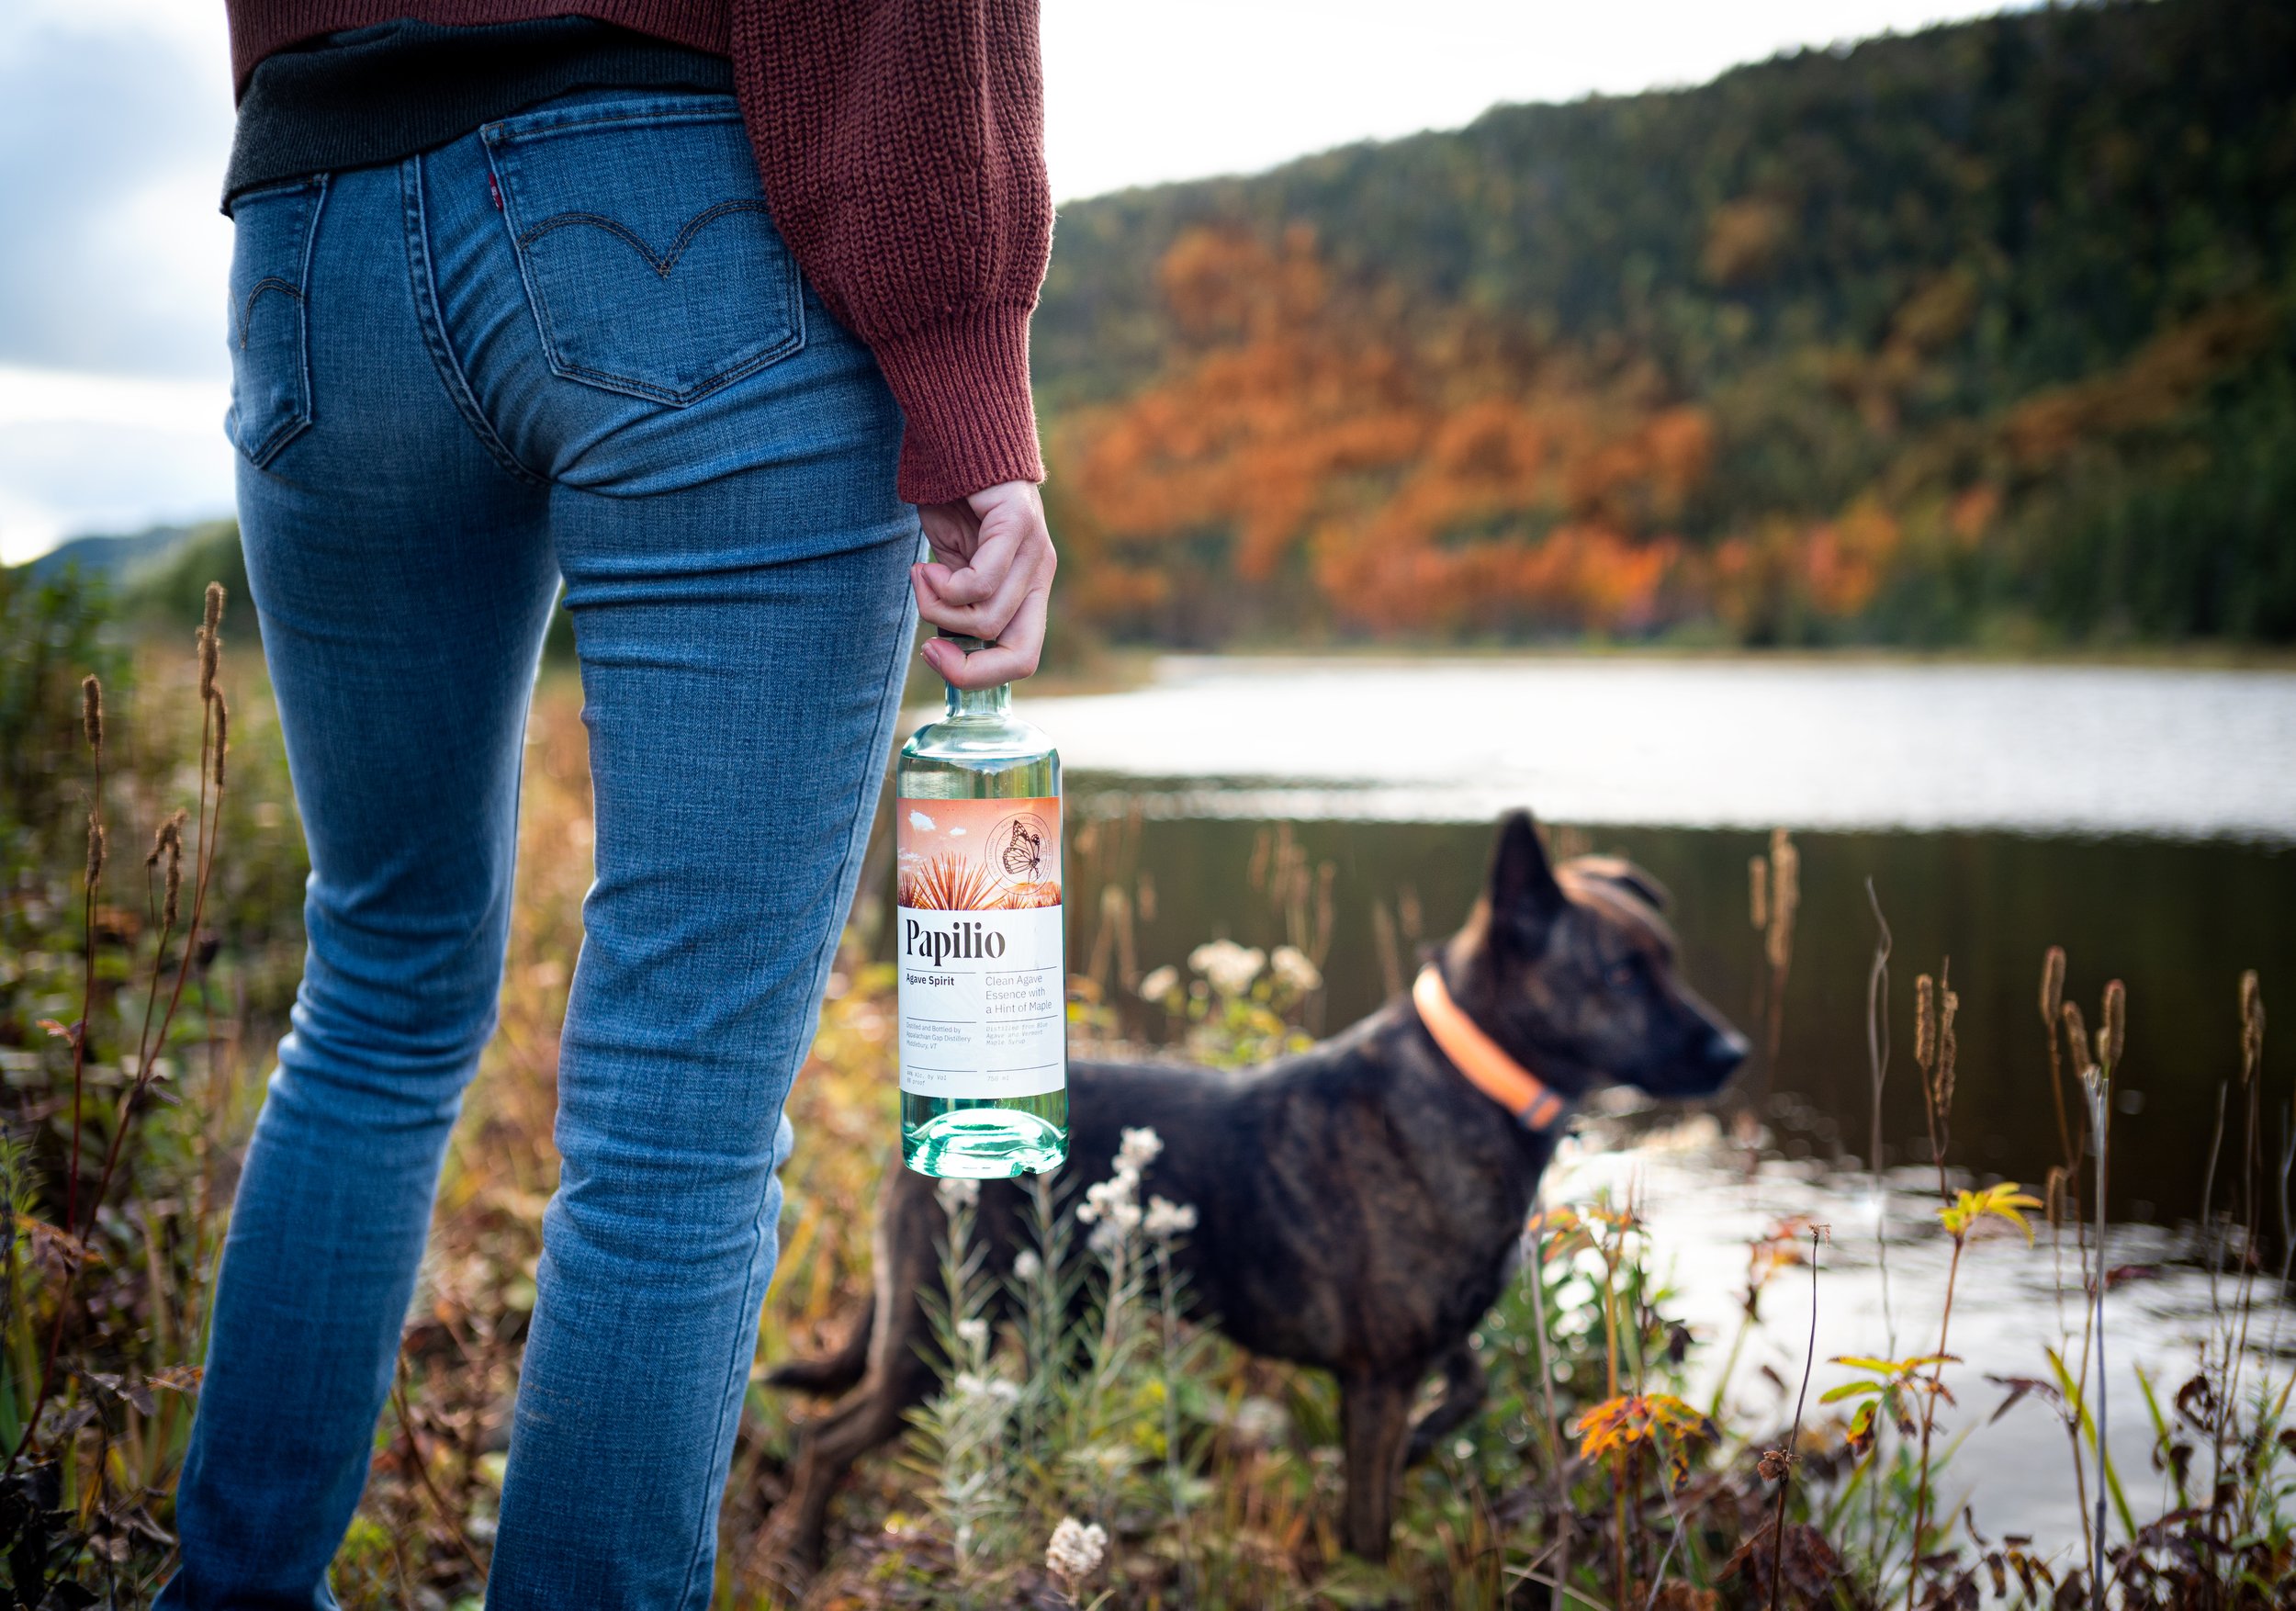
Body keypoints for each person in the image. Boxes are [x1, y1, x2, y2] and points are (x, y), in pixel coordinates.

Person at [162, 6, 1054, 1606]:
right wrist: (966, 363)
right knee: (680, 1106)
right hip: (684, 201)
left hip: (320, 226)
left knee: (375, 989)